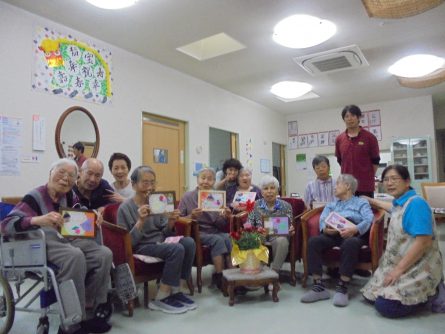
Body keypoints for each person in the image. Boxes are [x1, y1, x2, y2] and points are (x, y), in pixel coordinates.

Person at [0, 158, 112, 334]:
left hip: (65, 240)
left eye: (71, 175)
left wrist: (95, 216)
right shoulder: (35, 196)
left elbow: (80, 213)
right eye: (61, 172)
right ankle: (70, 324)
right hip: (40, 243)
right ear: (50, 173)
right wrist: (38, 220)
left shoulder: (69, 196)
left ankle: (89, 314)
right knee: (74, 256)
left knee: (104, 254)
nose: (66, 178)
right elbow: (6, 224)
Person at [362, 164, 443, 318]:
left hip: (419, 265)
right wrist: (372, 201)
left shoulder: (416, 204)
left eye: (394, 179)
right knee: (370, 296)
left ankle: (433, 292)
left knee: (386, 307)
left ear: (407, 181)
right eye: (385, 180)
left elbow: (423, 241)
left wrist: (398, 271)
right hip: (398, 263)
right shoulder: (400, 203)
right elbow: (392, 208)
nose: (389, 183)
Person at [117, 166, 196, 314]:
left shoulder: (157, 202)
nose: (150, 187)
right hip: (141, 246)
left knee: (189, 243)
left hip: (160, 242)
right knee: (176, 249)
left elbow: (165, 232)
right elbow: (127, 241)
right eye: (145, 182)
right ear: (134, 185)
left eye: (152, 183)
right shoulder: (125, 208)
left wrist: (171, 221)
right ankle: (161, 297)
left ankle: (176, 289)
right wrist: (140, 221)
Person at [300, 174, 373, 307]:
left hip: (353, 234)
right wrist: (325, 229)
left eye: (338, 184)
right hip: (333, 233)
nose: (335, 187)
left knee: (350, 244)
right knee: (314, 242)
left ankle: (343, 287)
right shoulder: (332, 204)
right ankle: (318, 287)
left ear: (348, 186)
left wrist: (355, 229)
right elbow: (323, 219)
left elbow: (368, 219)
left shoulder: (361, 202)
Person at [178, 167, 232, 289]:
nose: (206, 182)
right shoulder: (188, 196)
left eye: (210, 179)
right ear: (197, 179)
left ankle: (232, 276)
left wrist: (225, 216)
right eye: (203, 178)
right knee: (217, 240)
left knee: (228, 238)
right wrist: (191, 215)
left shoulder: (216, 197)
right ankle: (219, 277)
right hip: (197, 232)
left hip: (213, 230)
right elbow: (179, 219)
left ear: (214, 181)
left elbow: (220, 224)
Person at [247, 175, 294, 275]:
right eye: (265, 188)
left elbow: (290, 224)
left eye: (272, 188)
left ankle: (274, 273)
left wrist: (290, 229)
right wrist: (256, 230)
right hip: (260, 235)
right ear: (261, 192)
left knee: (282, 241)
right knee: (253, 239)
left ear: (277, 190)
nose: (269, 191)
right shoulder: (255, 205)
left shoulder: (286, 206)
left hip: (277, 236)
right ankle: (259, 270)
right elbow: (248, 224)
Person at [335, 105, 380, 197]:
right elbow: (340, 161)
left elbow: (375, 161)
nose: (350, 119)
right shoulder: (339, 139)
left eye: (352, 115)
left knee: (365, 210)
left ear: (358, 117)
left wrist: (366, 175)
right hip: (346, 187)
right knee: (347, 211)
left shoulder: (370, 137)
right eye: (347, 116)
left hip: (365, 186)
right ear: (344, 119)